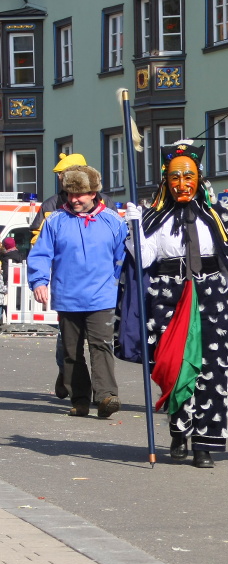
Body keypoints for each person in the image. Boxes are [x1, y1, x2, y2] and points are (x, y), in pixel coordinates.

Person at [119, 140, 228, 468]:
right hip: (167, 297)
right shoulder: (153, 218)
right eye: (175, 177)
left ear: (199, 177)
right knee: (176, 368)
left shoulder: (216, 215)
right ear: (166, 179)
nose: (182, 183)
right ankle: (179, 432)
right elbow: (145, 258)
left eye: (188, 176)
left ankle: (204, 443)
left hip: (212, 296)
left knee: (212, 371)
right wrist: (134, 231)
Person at [27, 165, 128, 418]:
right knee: (71, 351)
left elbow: (123, 258)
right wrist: (39, 281)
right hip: (68, 296)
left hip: (102, 296)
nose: (74, 200)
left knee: (101, 345)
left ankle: (106, 396)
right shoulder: (55, 221)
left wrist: (118, 286)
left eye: (79, 194)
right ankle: (79, 398)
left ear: (93, 193)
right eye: (69, 195)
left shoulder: (114, 221)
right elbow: (40, 254)